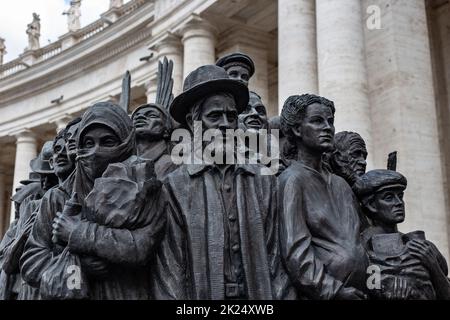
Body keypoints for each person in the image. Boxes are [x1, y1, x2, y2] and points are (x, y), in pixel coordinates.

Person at [151, 65, 291, 300]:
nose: (225, 124)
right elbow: (170, 272)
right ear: (193, 122)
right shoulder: (174, 187)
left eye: (231, 116)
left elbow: (278, 259)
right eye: (214, 116)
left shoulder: (263, 180)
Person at [21, 102, 166, 300]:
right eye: (88, 143)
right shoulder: (57, 197)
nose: (96, 151)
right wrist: (78, 268)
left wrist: (78, 232)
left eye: (107, 142)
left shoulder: (147, 187)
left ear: (125, 143)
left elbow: (142, 246)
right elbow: (32, 260)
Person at [278, 94, 368, 300]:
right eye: (317, 121)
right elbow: (296, 252)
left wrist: (378, 282)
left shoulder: (341, 184)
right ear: (296, 129)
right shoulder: (292, 181)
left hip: (361, 292)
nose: (327, 127)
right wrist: (334, 292)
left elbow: (363, 242)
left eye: (330, 122)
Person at [353, 169, 450, 300]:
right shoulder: (362, 250)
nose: (399, 202)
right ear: (371, 205)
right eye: (389, 197)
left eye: (400, 196)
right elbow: (368, 290)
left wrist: (434, 267)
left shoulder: (422, 246)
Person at [2, 142, 58, 300]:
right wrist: (24, 234)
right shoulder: (29, 210)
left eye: (50, 178)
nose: (45, 183)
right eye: (42, 177)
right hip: (27, 287)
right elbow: (6, 263)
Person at [131, 103, 178, 179]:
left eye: (152, 115)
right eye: (136, 117)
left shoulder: (172, 163)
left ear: (166, 129)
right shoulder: (123, 166)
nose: (140, 117)